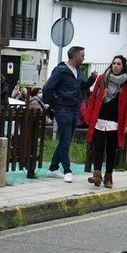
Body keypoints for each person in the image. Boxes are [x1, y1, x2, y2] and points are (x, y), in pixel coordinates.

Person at [80, 54, 127, 188]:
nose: (116, 66)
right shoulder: (102, 78)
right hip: (99, 119)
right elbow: (93, 97)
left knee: (111, 150)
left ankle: (109, 176)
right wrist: (88, 116)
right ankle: (97, 175)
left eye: (119, 64)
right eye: (114, 63)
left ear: (123, 67)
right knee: (98, 147)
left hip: (116, 122)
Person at [40, 45, 86, 182]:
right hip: (63, 110)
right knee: (65, 141)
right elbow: (48, 88)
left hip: (74, 110)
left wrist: (93, 79)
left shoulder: (77, 70)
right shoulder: (61, 70)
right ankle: (67, 170)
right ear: (75, 56)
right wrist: (54, 104)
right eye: (82, 55)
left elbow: (82, 86)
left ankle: (53, 168)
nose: (84, 58)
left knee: (65, 141)